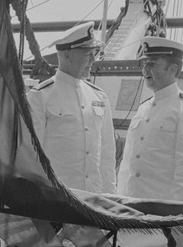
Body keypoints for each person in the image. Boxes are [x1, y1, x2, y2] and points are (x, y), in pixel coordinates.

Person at [27, 22, 116, 193]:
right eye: (88, 53)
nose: (93, 59)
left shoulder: (99, 97)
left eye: (94, 53)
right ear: (67, 55)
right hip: (59, 200)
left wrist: (111, 198)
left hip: (94, 200)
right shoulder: (40, 97)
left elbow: (107, 156)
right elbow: (31, 157)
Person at [117, 35, 183, 202]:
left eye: (151, 64)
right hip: (130, 209)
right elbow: (127, 165)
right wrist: (119, 202)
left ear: (172, 69)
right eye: (144, 64)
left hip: (162, 212)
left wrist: (174, 215)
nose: (145, 70)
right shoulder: (143, 109)